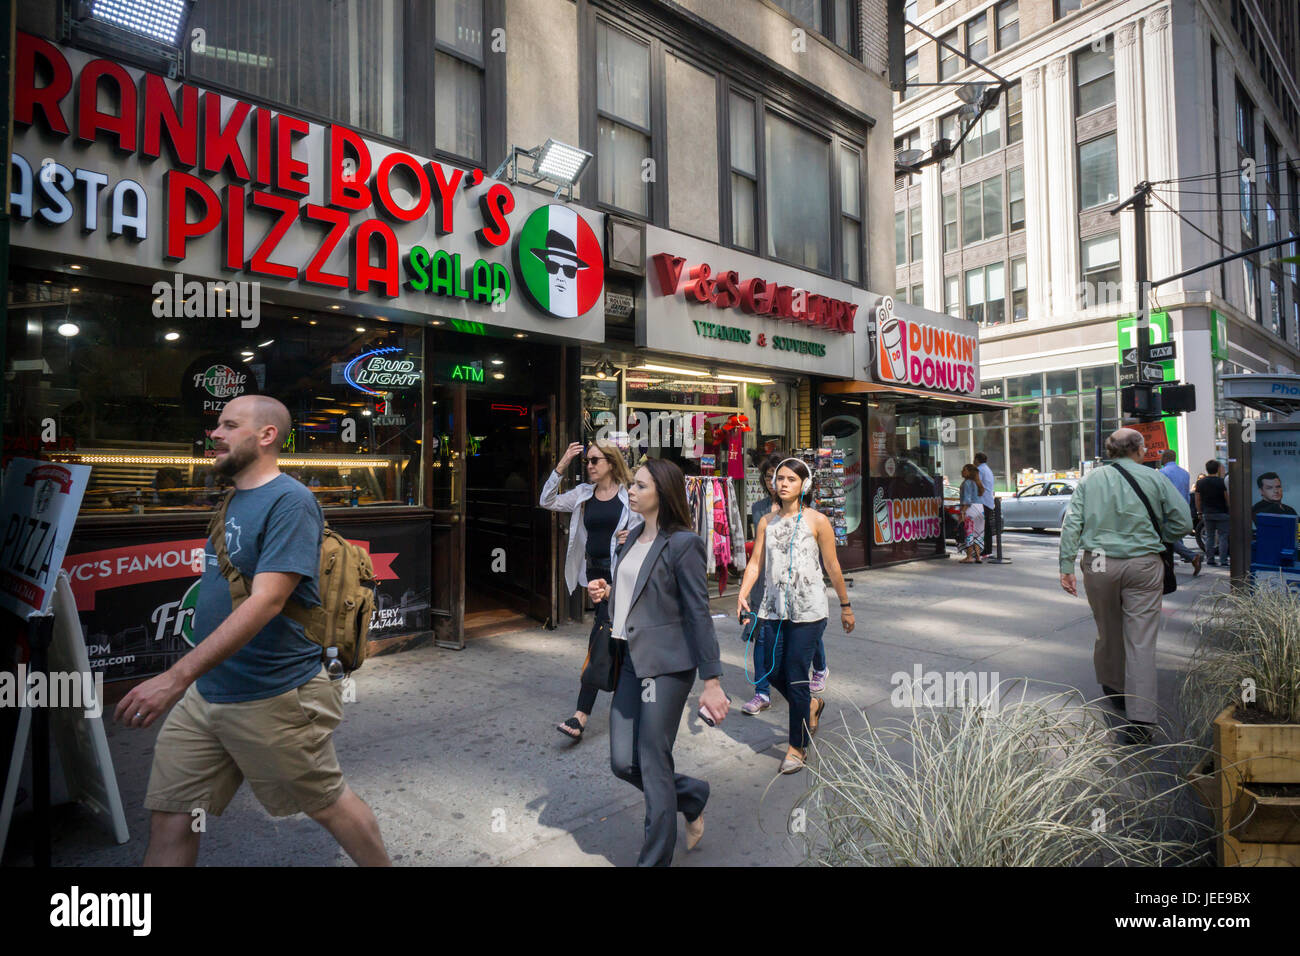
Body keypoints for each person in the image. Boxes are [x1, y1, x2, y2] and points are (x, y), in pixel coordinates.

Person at [116, 395, 390, 866]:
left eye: (229, 425)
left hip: (273, 696)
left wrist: (173, 678)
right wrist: (192, 682)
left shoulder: (291, 501)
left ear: (266, 436)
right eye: (216, 425)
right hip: (207, 696)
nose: (215, 434)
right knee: (173, 817)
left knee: (328, 804)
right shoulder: (232, 497)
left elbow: (268, 601)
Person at [586, 459, 730, 866]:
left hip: (666, 667)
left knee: (652, 761)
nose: (631, 491)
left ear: (662, 495)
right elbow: (640, 594)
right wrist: (607, 591)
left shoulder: (683, 543)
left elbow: (698, 612)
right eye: (632, 484)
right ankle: (692, 795)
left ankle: (653, 860)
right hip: (629, 661)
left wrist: (713, 679)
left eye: (640, 486)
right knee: (622, 762)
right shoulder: (631, 537)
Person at [1059, 428, 1193, 745]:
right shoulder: (1155, 478)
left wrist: (1066, 566)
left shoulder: (1091, 480)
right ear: (1139, 450)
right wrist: (1159, 535)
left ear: (1111, 451)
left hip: (1101, 561)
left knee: (1107, 627)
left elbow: (1072, 521)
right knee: (1141, 640)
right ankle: (1140, 719)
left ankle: (1112, 684)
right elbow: (1183, 522)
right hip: (1144, 563)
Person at [736, 458, 854, 774]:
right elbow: (756, 563)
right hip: (773, 609)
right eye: (781, 478)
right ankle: (811, 705)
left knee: (796, 673)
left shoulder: (818, 521)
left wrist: (845, 605)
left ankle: (797, 746)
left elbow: (832, 566)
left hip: (809, 611)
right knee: (773, 671)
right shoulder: (766, 522)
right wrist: (743, 592)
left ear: (805, 485)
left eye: (792, 478)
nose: (785, 483)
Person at [541, 440, 639, 741]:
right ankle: (636, 702)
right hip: (596, 574)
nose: (590, 465)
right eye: (587, 461)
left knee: (603, 636)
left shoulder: (630, 495)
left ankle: (582, 713)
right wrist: (562, 465)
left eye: (595, 460)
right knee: (613, 636)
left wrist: (633, 534)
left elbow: (655, 523)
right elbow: (547, 501)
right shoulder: (583, 494)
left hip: (622, 574)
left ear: (611, 462)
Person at [1158, 450, 1202, 575]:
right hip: (1182, 507)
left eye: (1161, 457)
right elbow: (1187, 493)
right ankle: (1176, 560)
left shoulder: (1162, 473)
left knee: (1166, 536)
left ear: (1165, 458)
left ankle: (1191, 556)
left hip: (1167, 508)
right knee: (1174, 535)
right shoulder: (1185, 473)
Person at [1194, 459, 1230, 567]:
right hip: (1222, 512)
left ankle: (1210, 559)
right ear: (1218, 469)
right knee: (1223, 537)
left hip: (1207, 513)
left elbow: (1197, 499)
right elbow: (1226, 498)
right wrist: (1229, 508)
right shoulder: (1221, 481)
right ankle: (1223, 560)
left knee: (1209, 537)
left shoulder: (1200, 482)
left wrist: (1199, 511)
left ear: (1207, 469)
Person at [958, 464, 985, 563]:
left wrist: (962, 512)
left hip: (970, 509)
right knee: (978, 534)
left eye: (964, 470)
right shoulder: (977, 482)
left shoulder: (967, 483)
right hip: (980, 508)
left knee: (969, 533)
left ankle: (969, 556)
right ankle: (978, 556)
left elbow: (967, 500)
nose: (962, 471)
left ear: (969, 472)